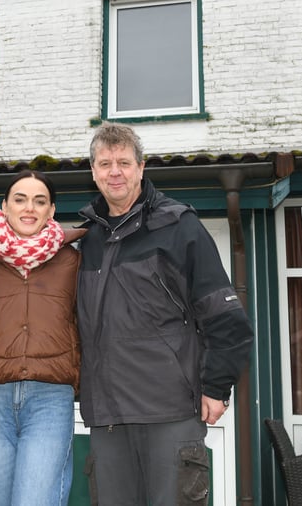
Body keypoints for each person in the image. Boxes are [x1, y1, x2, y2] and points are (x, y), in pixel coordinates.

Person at [76, 122, 255, 506]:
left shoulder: (179, 226)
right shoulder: (86, 239)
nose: (115, 172)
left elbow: (226, 318)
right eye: (105, 163)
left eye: (124, 162)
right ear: (93, 172)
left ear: (142, 167)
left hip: (170, 410)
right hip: (107, 417)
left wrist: (216, 386)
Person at [0, 170, 85, 506]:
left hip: (50, 398)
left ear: (51, 211)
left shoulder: (72, 261)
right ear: (4, 207)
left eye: (39, 201)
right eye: (20, 199)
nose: (29, 208)